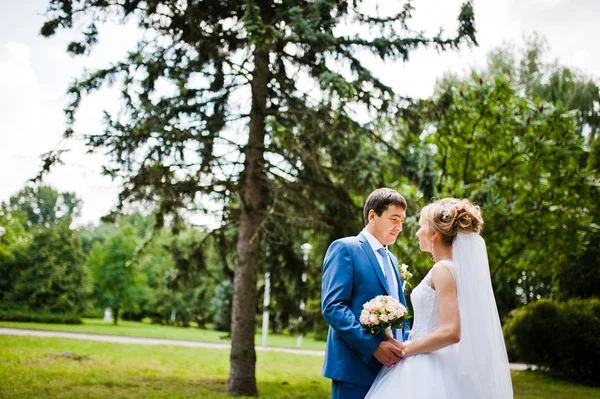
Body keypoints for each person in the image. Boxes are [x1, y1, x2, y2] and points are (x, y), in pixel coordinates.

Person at [365, 198, 513, 399]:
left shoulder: (442, 270)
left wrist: (407, 349)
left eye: (420, 227)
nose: (417, 233)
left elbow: (451, 331)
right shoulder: (455, 269)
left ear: (433, 233)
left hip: (428, 364)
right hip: (440, 359)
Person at [321, 187, 411, 399]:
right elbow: (333, 307)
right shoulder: (345, 248)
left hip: (393, 370)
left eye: (402, 221)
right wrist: (374, 347)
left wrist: (405, 348)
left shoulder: (393, 260)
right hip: (355, 368)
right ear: (372, 215)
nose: (399, 227)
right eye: (394, 219)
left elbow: (401, 312)